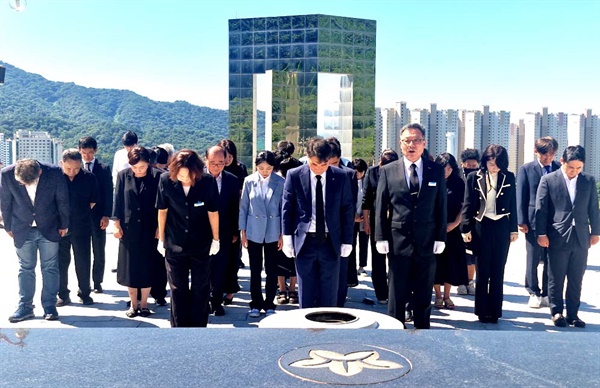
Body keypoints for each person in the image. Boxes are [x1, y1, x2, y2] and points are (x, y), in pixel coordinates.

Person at [375, 123, 447, 329]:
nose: (412, 145)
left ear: (424, 143)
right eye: (407, 141)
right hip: (398, 240)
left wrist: (441, 236)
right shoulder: (389, 170)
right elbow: (381, 206)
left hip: (427, 240)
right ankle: (394, 332)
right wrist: (380, 237)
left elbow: (441, 205)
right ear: (401, 144)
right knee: (397, 291)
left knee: (424, 292)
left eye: (416, 140)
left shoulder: (436, 170)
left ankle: (423, 331)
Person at [282, 137, 354, 308]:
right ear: (307, 157)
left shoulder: (341, 176)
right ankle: (306, 332)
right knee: (306, 293)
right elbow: (287, 208)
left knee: (329, 294)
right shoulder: (294, 175)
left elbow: (347, 209)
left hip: (330, 241)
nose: (319, 169)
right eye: (315, 165)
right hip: (304, 241)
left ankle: (328, 330)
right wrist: (287, 238)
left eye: (324, 165)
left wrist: (347, 240)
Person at [535, 145, 600, 328]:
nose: (574, 171)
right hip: (557, 236)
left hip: (580, 237)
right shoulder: (548, 180)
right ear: (562, 161)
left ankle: (573, 314)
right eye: (571, 167)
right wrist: (541, 233)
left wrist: (596, 232)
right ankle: (557, 312)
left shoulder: (588, 181)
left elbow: (593, 209)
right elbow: (541, 210)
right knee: (556, 276)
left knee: (576, 277)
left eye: (579, 168)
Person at [156, 149, 220, 327]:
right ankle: (179, 328)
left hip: (201, 242)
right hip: (174, 241)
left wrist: (216, 239)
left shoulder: (207, 182)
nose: (185, 179)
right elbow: (162, 211)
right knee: (177, 289)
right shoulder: (165, 180)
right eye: (180, 175)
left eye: (188, 175)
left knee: (201, 287)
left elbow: (213, 212)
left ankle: (199, 327)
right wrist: (161, 240)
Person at [1, 159, 69, 322]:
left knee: (50, 266)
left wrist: (64, 224)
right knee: (25, 268)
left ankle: (49, 306)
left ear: (40, 172)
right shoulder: (7, 174)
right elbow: (5, 202)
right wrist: (8, 226)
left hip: (49, 226)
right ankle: (25, 306)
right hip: (22, 228)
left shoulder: (54, 172)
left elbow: (62, 199)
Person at [461, 144, 518, 324]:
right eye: (491, 163)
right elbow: (468, 204)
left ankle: (495, 311)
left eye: (498, 164)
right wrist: (465, 228)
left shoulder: (508, 176)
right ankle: (481, 310)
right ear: (485, 161)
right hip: (481, 225)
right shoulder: (474, 177)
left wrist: (513, 229)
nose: (494, 167)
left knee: (497, 269)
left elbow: (513, 203)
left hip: (501, 224)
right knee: (483, 269)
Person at [113, 146, 162, 318]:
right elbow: (118, 200)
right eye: (134, 167)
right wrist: (116, 224)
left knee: (147, 266)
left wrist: (160, 227)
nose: (138, 170)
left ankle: (145, 304)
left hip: (150, 228)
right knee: (130, 267)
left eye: (141, 167)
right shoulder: (123, 175)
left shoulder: (158, 177)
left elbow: (163, 204)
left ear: (148, 163)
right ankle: (133, 305)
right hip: (129, 228)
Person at [239, 150, 285, 317]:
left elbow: (284, 208)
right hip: (254, 229)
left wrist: (282, 233)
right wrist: (243, 231)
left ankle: (270, 303)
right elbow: (243, 207)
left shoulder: (280, 181)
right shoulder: (249, 181)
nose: (265, 171)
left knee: (272, 269)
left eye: (268, 168)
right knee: (255, 269)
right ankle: (255, 303)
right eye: (261, 168)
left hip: (273, 229)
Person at [516, 136, 560, 309]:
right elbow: (521, 196)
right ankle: (533, 291)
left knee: (551, 258)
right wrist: (521, 220)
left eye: (551, 155)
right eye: (545, 155)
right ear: (536, 152)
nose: (548, 158)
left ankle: (547, 293)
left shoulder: (558, 168)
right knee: (533, 257)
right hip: (532, 220)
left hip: (554, 221)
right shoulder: (526, 169)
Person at [57, 149, 98, 307]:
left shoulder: (89, 178)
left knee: (83, 260)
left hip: (82, 225)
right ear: (62, 164)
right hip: (60, 226)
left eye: (76, 168)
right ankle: (63, 294)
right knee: (61, 262)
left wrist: (80, 213)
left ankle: (85, 292)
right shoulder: (56, 178)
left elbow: (93, 201)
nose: (72, 172)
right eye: (68, 169)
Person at [205, 146, 240, 316]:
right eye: (212, 163)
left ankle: (217, 302)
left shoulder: (232, 180)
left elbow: (235, 208)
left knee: (220, 268)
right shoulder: (198, 178)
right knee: (202, 270)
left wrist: (235, 231)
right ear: (206, 161)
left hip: (224, 232)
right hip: (201, 232)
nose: (216, 167)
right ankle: (203, 302)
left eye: (220, 163)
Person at [362, 149, 399, 304]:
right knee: (378, 258)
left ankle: (394, 291)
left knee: (395, 259)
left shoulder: (400, 172)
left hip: (396, 220)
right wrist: (365, 222)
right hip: (377, 220)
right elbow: (366, 199)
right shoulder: (372, 173)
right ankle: (381, 294)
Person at [325, 137, 358, 307]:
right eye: (328, 163)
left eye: (335, 163)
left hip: (340, 231)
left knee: (340, 273)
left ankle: (338, 306)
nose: (332, 167)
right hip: (320, 232)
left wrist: (348, 238)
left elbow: (349, 208)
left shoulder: (348, 175)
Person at [432, 153, 468, 310]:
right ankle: (438, 296)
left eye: (449, 168)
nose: (446, 171)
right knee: (435, 263)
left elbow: (464, 206)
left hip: (452, 230)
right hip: (433, 229)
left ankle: (447, 296)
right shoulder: (431, 181)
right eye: (443, 168)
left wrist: (455, 223)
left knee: (450, 263)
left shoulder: (458, 183)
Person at [78, 136, 113, 294]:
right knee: (82, 251)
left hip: (99, 216)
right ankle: (83, 284)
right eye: (84, 153)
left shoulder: (104, 168)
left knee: (99, 251)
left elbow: (108, 193)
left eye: (90, 153)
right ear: (79, 151)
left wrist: (107, 215)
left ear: (96, 151)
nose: (87, 156)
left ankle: (97, 281)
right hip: (81, 218)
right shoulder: (75, 167)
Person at [218, 139, 247, 288]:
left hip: (234, 212)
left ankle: (231, 285)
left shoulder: (240, 168)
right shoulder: (215, 170)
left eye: (231, 156)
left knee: (233, 255)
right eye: (226, 156)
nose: (228, 160)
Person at [457, 148, 480, 296]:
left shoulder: (480, 177)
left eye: (474, 166)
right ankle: (460, 281)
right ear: (462, 164)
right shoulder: (458, 177)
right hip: (458, 219)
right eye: (468, 165)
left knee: (473, 254)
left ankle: (470, 281)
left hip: (475, 220)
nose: (471, 168)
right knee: (460, 254)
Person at [352, 158, 369, 277]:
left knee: (364, 242)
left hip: (364, 217)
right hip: (352, 217)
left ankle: (362, 266)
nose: (358, 174)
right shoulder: (348, 181)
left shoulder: (367, 181)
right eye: (356, 171)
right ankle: (352, 266)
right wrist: (354, 215)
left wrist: (365, 215)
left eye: (361, 172)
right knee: (351, 242)